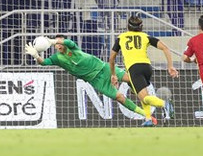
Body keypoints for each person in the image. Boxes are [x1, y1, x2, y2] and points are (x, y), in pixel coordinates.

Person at [24, 35, 154, 124]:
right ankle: (146, 115)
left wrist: (53, 40)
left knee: (130, 79)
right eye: (56, 44)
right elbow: (44, 63)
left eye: (59, 42)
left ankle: (142, 94)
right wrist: (36, 56)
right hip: (95, 81)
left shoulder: (72, 47)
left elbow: (69, 42)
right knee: (119, 97)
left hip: (103, 68)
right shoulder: (57, 58)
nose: (58, 45)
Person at [108, 15, 179, 126]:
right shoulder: (145, 37)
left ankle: (164, 104)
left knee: (145, 98)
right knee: (142, 94)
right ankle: (148, 119)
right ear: (141, 27)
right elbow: (165, 48)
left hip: (134, 68)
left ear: (128, 26)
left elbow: (111, 58)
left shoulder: (121, 37)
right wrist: (170, 66)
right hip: (147, 67)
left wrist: (113, 74)